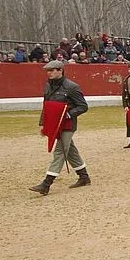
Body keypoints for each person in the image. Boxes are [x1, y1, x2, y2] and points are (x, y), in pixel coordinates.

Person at [29, 60, 90, 194]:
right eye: (48, 71)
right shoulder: (48, 85)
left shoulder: (72, 87)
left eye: (51, 70)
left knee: (60, 152)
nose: (48, 73)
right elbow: (46, 105)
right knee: (69, 151)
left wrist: (68, 114)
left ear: (60, 70)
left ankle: (46, 184)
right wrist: (44, 124)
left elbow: (83, 106)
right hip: (55, 124)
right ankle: (84, 177)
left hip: (68, 125)